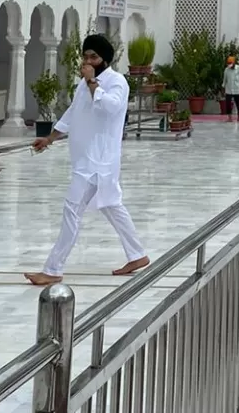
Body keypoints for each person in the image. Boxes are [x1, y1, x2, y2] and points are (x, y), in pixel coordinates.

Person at [25, 34, 149, 286]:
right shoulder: (83, 85)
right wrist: (50, 138)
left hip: (98, 163)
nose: (88, 61)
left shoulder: (116, 82)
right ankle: (137, 254)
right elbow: (73, 113)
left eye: (94, 57)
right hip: (85, 160)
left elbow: (111, 108)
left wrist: (93, 82)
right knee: (112, 206)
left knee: (72, 210)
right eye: (86, 56)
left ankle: (53, 268)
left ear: (105, 59)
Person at [222, 54, 239, 121]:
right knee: (228, 104)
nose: (229, 64)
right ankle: (230, 117)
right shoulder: (226, 70)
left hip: (237, 90)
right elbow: (224, 81)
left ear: (234, 62)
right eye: (228, 63)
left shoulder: (238, 69)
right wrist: (223, 89)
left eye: (230, 63)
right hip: (229, 90)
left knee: (238, 103)